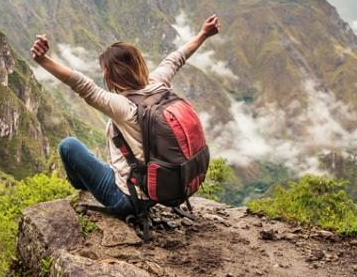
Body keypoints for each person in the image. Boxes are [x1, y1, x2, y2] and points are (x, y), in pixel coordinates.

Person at [30, 15, 220, 216]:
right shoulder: (158, 84)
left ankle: (80, 187)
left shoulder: (123, 107)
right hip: (157, 191)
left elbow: (82, 85)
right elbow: (176, 59)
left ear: (109, 76)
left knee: (68, 146)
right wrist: (203, 34)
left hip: (127, 199)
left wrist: (43, 60)